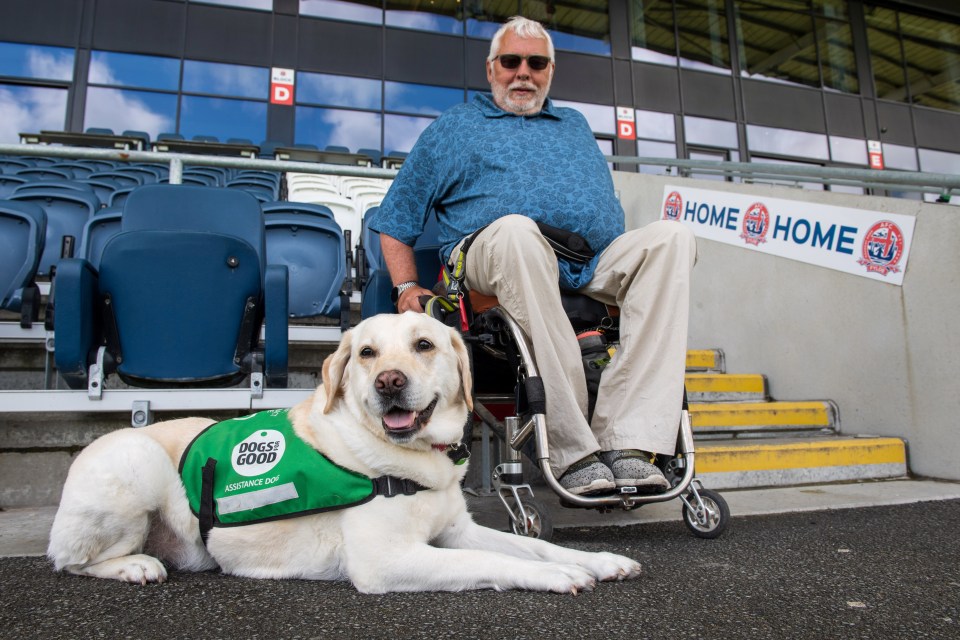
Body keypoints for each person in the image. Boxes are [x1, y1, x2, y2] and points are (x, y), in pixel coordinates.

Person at [372, 16, 697, 496]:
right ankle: (571, 449)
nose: (523, 72)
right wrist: (405, 288)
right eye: (511, 61)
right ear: (491, 70)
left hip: (582, 263)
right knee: (519, 232)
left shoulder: (574, 124)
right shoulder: (457, 126)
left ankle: (630, 443)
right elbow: (396, 217)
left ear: (550, 71)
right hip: (488, 258)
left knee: (672, 238)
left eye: (536, 62)